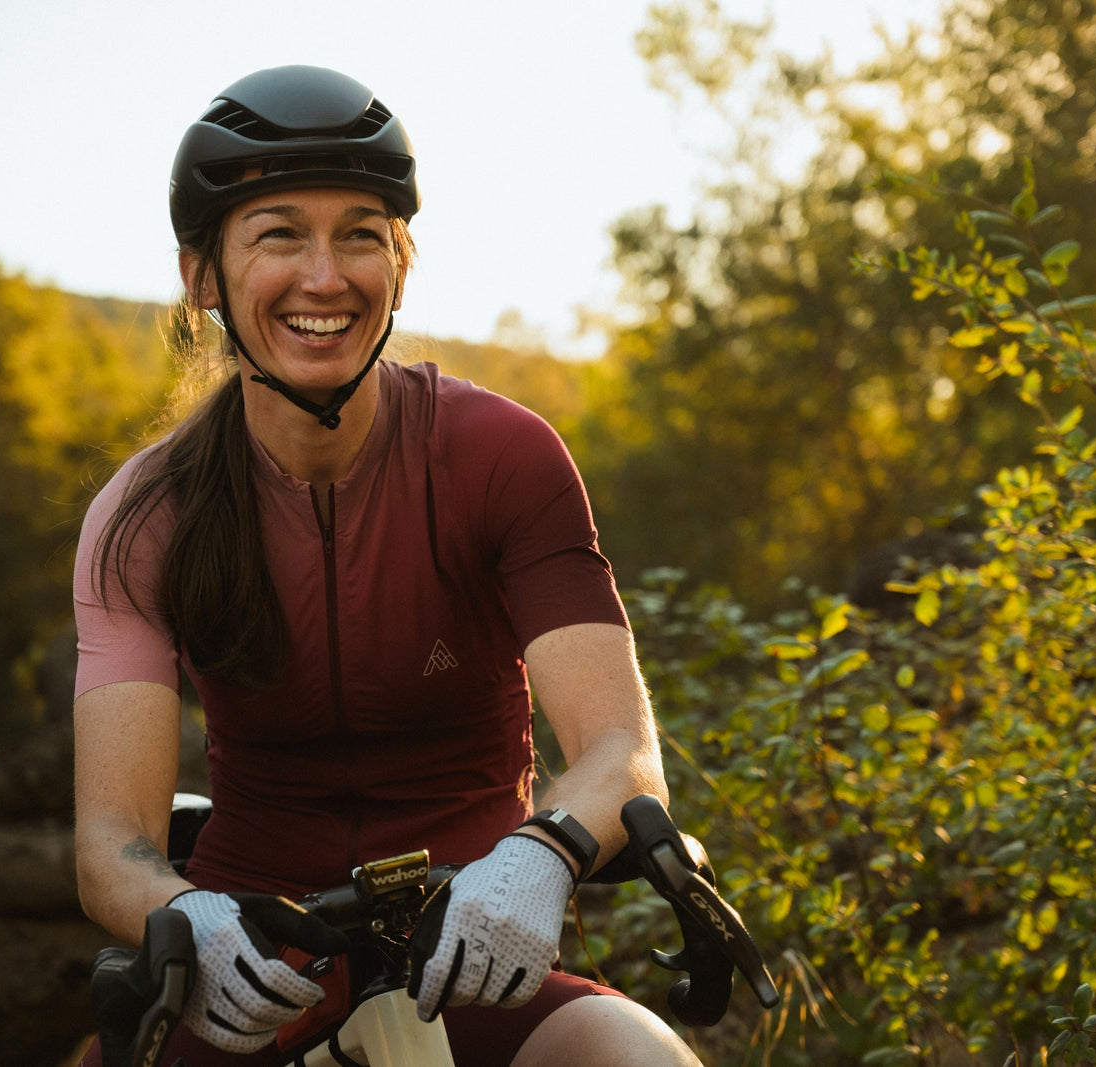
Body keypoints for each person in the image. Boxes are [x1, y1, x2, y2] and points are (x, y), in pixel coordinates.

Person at [71, 65, 702, 1067]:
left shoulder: (504, 456)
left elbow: (621, 752)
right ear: (202, 276)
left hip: (480, 956)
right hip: (251, 974)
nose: (326, 277)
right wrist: (186, 915)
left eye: (361, 234)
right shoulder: (146, 515)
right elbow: (112, 846)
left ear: (401, 264)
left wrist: (541, 851)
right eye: (279, 234)